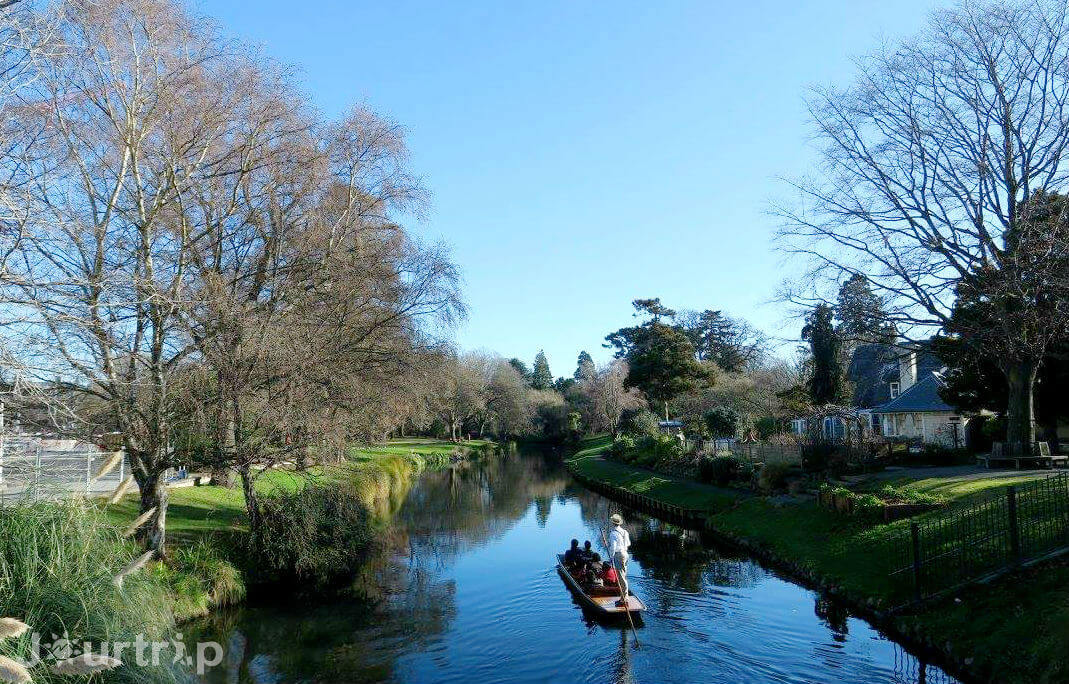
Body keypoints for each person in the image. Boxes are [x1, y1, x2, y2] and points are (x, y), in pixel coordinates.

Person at [607, 513, 632, 607]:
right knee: (623, 576)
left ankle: (624, 599)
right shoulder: (625, 532)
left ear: (613, 523)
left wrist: (610, 558)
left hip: (619, 555)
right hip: (625, 554)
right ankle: (624, 597)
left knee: (621, 577)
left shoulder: (613, 533)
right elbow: (628, 543)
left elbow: (613, 548)